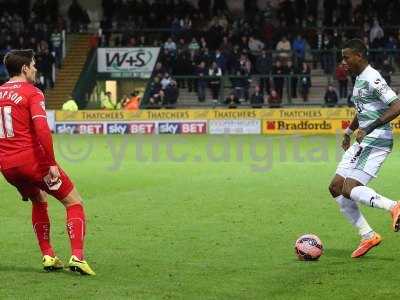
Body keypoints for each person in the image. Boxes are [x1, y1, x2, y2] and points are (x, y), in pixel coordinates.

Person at [0, 49, 95, 275]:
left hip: (7, 165)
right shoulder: (32, 92)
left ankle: (49, 255)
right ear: (24, 68)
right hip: (32, 161)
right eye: (33, 65)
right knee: (74, 202)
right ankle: (78, 257)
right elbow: (42, 129)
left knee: (38, 199)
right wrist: (51, 162)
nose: (35, 69)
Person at [328, 39, 400, 259]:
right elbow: (363, 110)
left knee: (349, 188)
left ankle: (394, 206)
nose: (344, 62)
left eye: (346, 57)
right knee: (336, 187)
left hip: (376, 139)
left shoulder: (372, 77)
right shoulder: (359, 79)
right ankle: (368, 235)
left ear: (359, 55)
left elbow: (397, 105)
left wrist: (368, 128)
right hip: (363, 139)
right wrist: (349, 131)